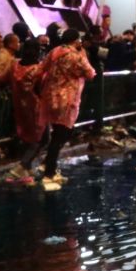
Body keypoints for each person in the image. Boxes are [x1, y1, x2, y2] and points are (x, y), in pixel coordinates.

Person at [37, 29, 96, 191]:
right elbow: (91, 73)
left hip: (50, 96)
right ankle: (48, 171)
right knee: (62, 134)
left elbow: (42, 67)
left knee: (57, 133)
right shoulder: (76, 57)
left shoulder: (55, 51)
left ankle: (50, 166)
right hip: (67, 99)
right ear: (76, 41)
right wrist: (83, 54)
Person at [0, 40, 48, 185]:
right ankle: (21, 167)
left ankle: (27, 169)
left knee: (27, 138)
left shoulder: (14, 65)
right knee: (42, 139)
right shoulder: (40, 70)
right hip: (37, 109)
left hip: (19, 108)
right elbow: (44, 89)